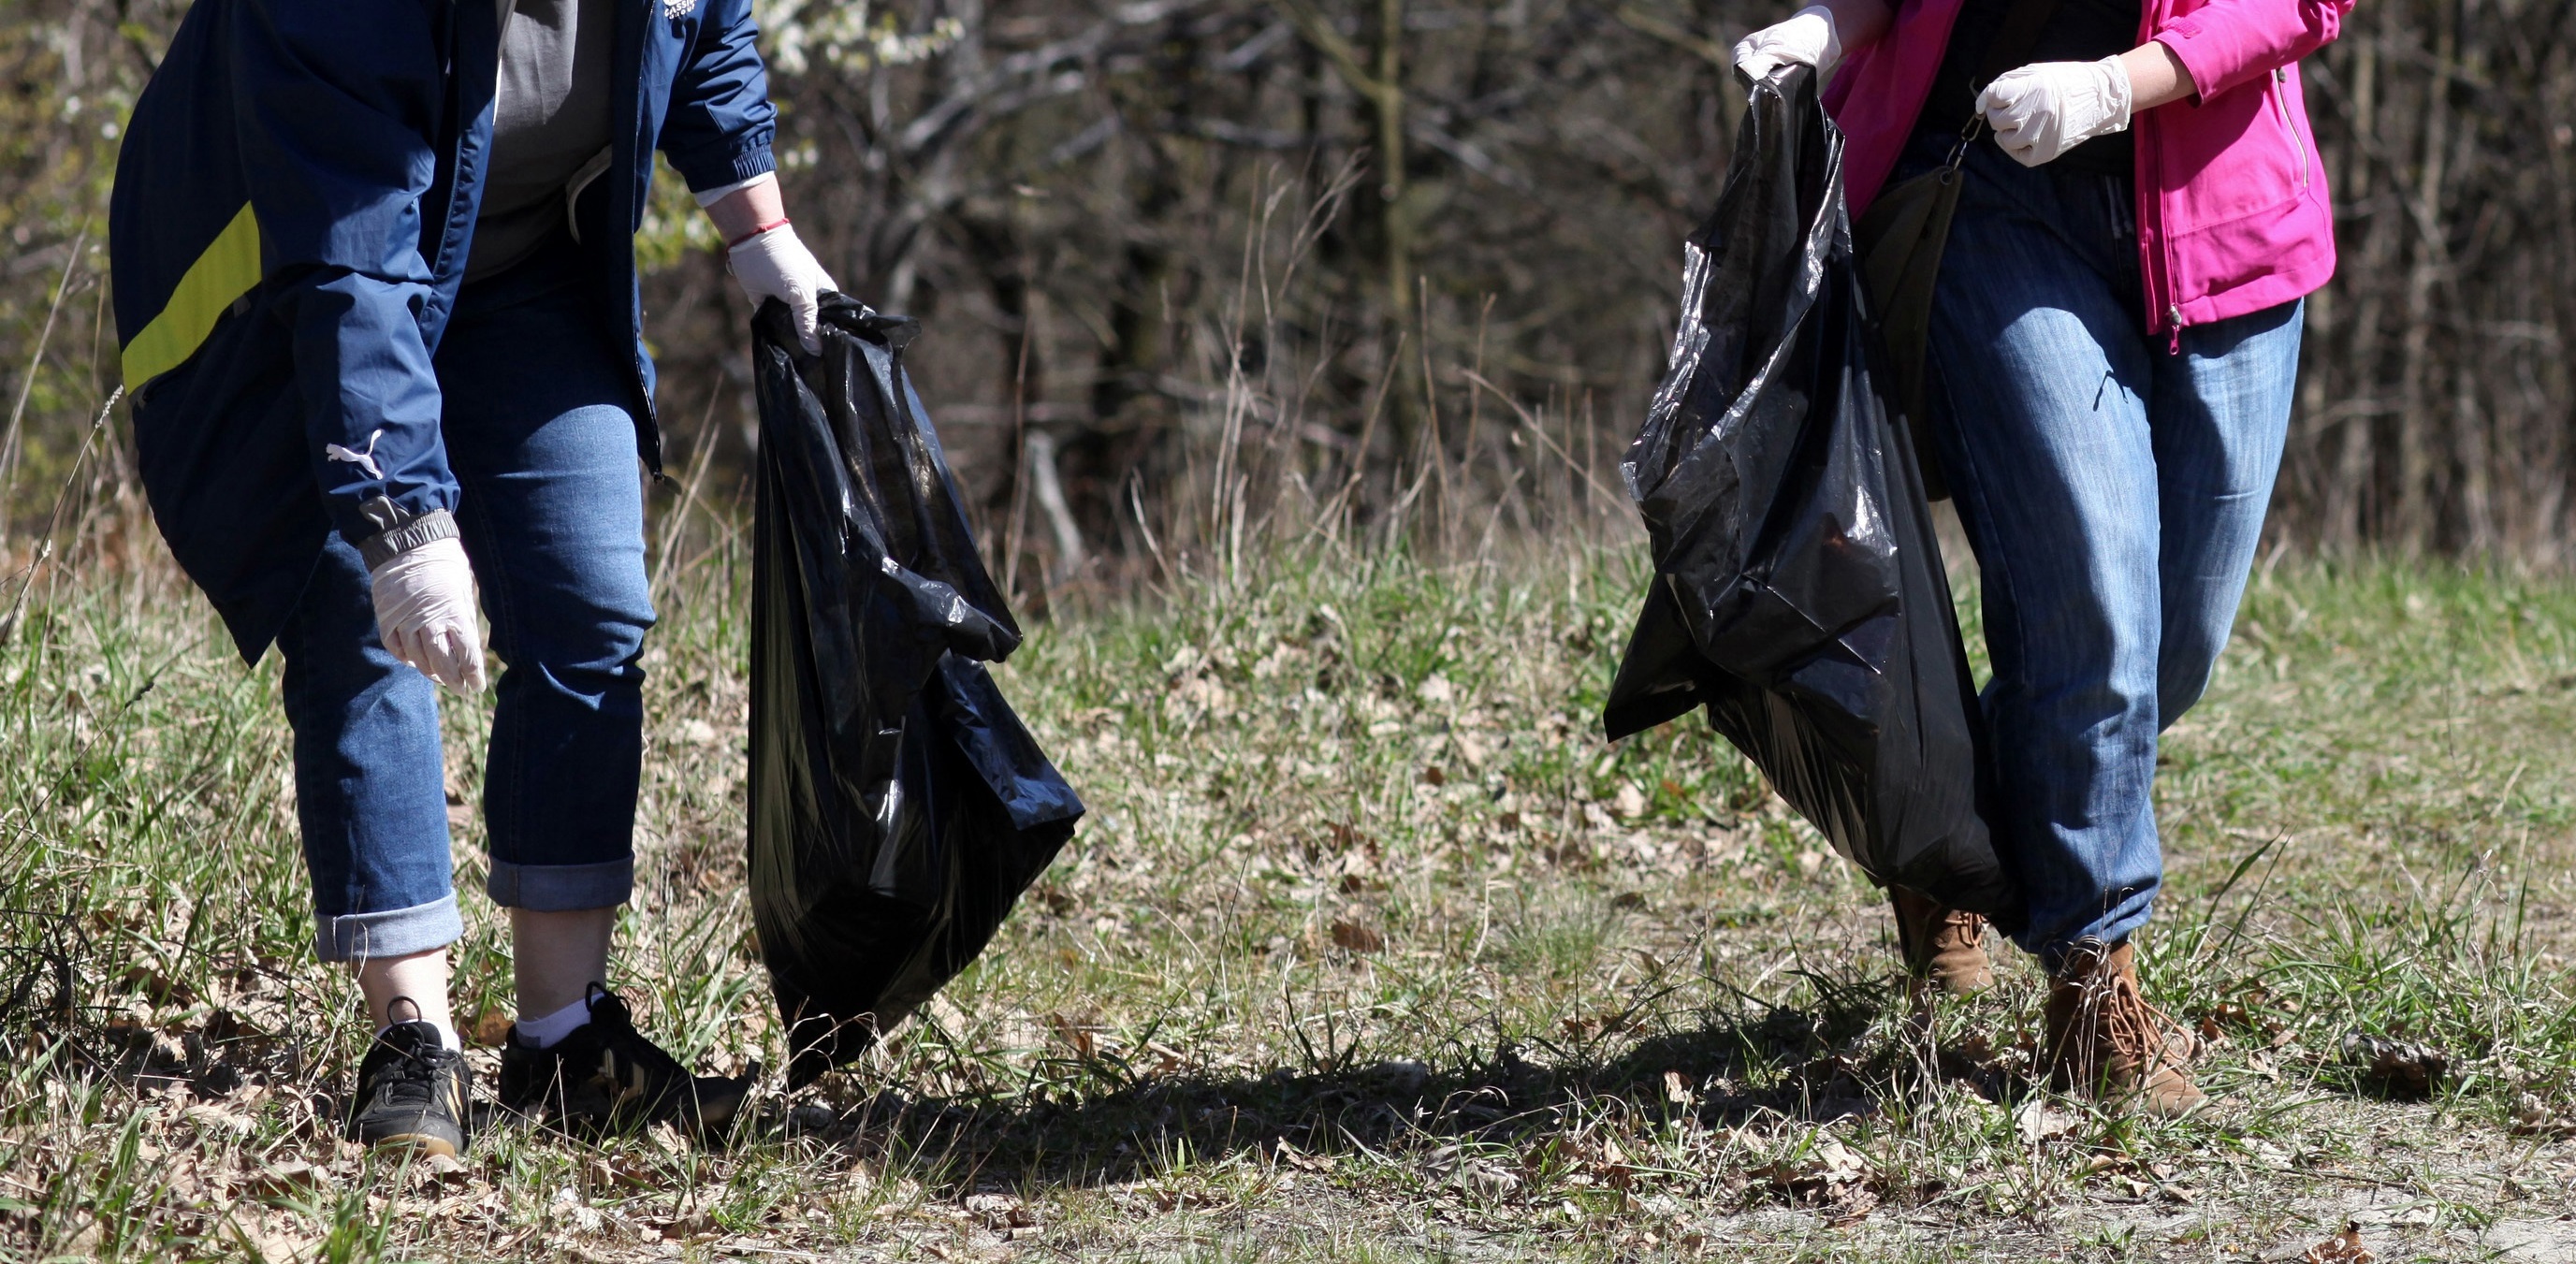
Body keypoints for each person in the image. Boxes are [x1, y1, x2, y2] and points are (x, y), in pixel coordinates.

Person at [109, 0, 837, 1155]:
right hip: (282, 274)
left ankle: (561, 1037)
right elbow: (350, 259)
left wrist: (759, 234)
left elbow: (701, 37)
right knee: (361, 626)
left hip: (521, 262)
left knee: (590, 604)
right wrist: (398, 514)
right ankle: (414, 1040)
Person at [1729, 0, 2345, 1112]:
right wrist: (1831, 25)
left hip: (2221, 217)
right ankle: (2090, 981)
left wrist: (2117, 86)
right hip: (1990, 200)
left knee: (2170, 647)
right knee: (2093, 599)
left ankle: (1949, 840)